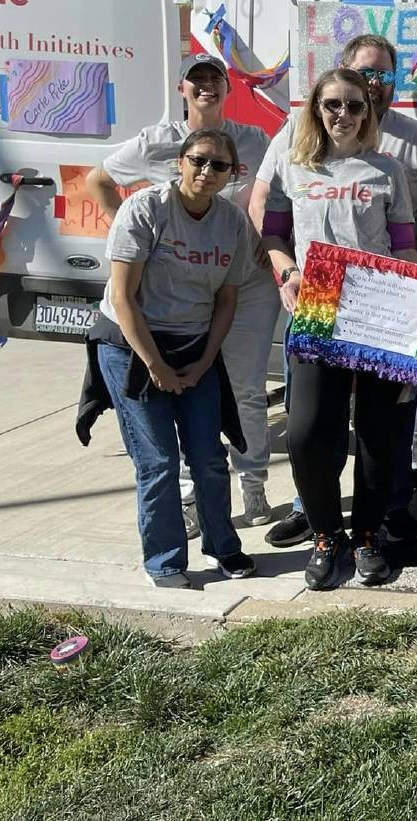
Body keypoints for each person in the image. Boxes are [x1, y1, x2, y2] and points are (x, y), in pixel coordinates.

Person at [252, 33, 417, 549]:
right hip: (316, 304)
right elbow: (271, 232)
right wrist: (285, 273)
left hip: (378, 308)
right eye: (333, 104)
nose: (344, 113)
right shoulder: (296, 166)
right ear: (318, 109)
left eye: (354, 105)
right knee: (307, 431)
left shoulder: (387, 169)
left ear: (368, 112)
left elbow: (406, 245)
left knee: (378, 434)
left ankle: (365, 536)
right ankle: (323, 534)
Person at [87, 53, 277, 535]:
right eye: (197, 80)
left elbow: (279, 196)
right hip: (181, 287)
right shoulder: (158, 141)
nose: (207, 87)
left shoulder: (254, 139)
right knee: (183, 388)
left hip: (243, 284)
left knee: (246, 388)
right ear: (183, 89)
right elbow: (99, 181)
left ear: (228, 88)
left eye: (215, 79)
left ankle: (254, 487)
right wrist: (132, 245)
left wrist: (270, 243)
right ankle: (194, 498)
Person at [91, 129, 258, 588]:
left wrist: (204, 362)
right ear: (180, 162)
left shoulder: (232, 223)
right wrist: (155, 366)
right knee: (159, 459)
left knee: (208, 456)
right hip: (131, 345)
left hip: (193, 347)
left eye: (218, 165)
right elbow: (123, 298)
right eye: (199, 161)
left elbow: (227, 300)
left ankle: (224, 547)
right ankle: (164, 561)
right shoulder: (145, 209)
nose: (207, 171)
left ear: (232, 174)